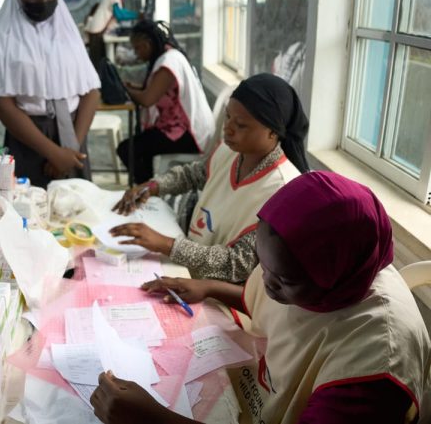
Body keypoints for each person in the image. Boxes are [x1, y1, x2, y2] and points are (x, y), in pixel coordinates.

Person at [91, 171, 431, 424]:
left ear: (331, 278)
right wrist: (210, 287)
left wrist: (154, 419)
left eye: (282, 280)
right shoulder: (329, 272)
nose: (266, 284)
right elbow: (272, 305)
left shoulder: (374, 367)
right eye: (261, 264)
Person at [111, 73, 309, 283]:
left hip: (223, 295)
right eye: (228, 116)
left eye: (241, 125)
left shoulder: (283, 191)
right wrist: (153, 186)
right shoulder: (230, 152)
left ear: (272, 132)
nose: (228, 128)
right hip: (189, 273)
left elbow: (237, 264)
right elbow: (195, 174)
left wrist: (167, 244)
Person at [0, 0, 100, 189]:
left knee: (75, 209)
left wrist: (70, 150)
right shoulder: (2, 37)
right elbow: (2, 105)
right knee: (31, 212)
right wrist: (53, 153)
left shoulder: (67, 32)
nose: (44, 1)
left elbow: (91, 91)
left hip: (72, 134)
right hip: (29, 138)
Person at [116, 20, 214, 183]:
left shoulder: (168, 63)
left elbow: (147, 100)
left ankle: (145, 190)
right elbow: (156, 90)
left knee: (127, 149)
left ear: (148, 44)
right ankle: (146, 188)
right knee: (142, 145)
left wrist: (124, 89)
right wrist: (133, 87)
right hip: (181, 129)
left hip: (188, 135)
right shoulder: (170, 56)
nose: (137, 53)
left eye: (138, 48)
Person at [85, 0, 138, 69]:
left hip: (96, 30)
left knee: (97, 60)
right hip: (98, 31)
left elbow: (119, 12)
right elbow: (119, 14)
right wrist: (137, 15)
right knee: (98, 61)